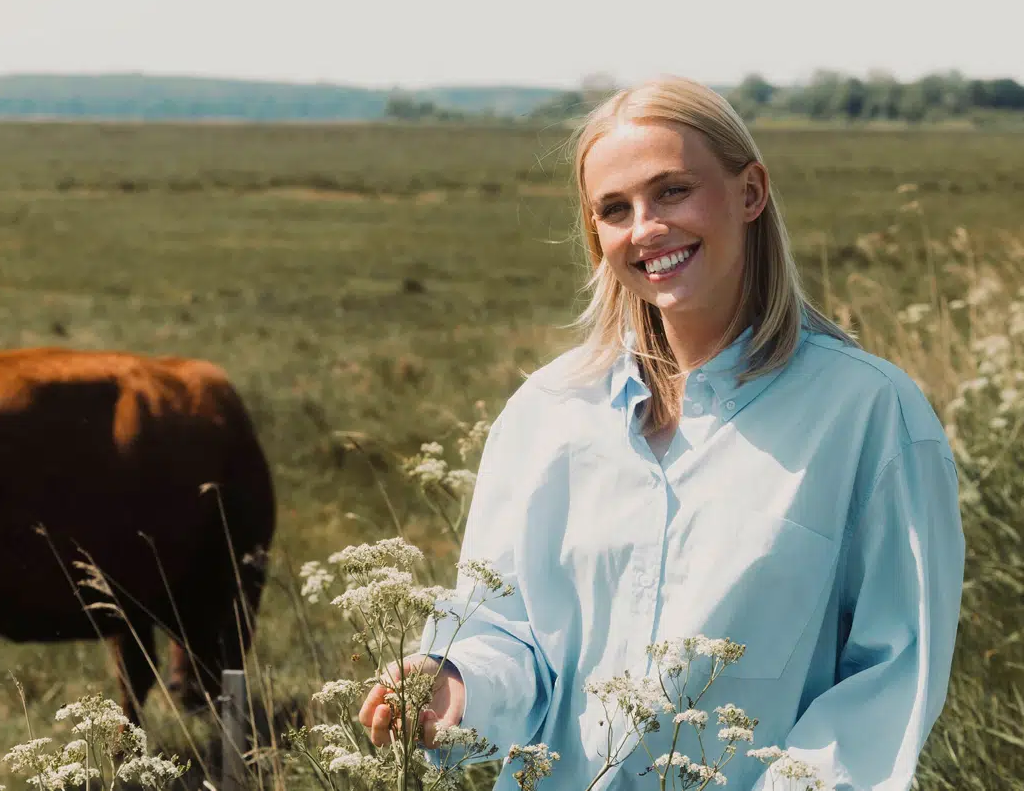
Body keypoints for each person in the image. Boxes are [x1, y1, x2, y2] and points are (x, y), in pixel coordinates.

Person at [356, 75, 965, 791]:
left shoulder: (871, 413)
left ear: (751, 193)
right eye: (615, 209)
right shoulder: (547, 413)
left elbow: (891, 681)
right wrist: (454, 680)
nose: (645, 227)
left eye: (672, 191)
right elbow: (508, 629)